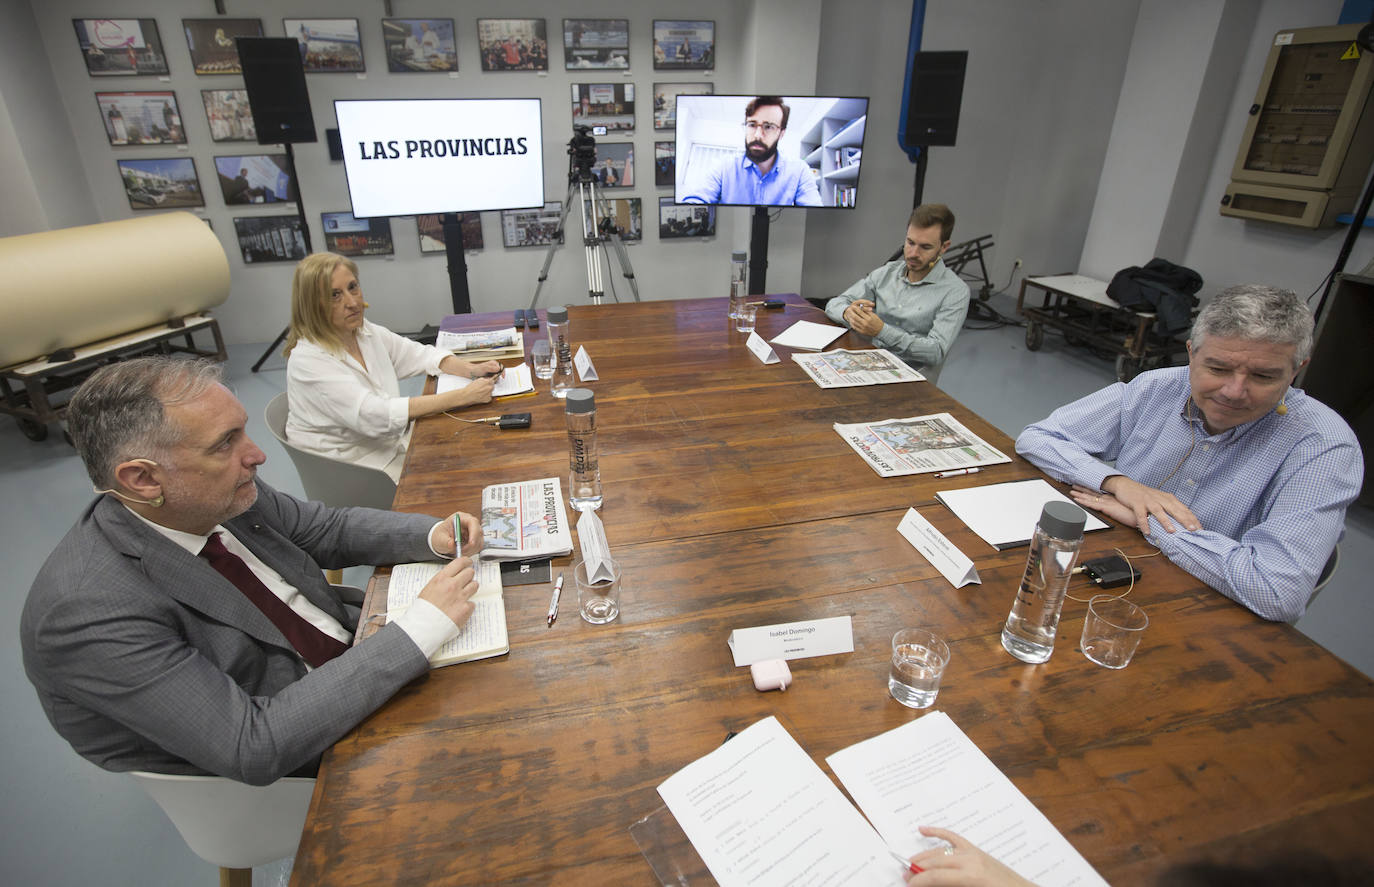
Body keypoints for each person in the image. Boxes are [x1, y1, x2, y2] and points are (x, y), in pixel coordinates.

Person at [20, 357, 483, 785]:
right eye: (224, 443)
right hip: (308, 742)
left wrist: (430, 535)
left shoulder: (208, 492)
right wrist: (420, 628)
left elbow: (325, 529)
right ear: (142, 479)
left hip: (360, 651)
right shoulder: (85, 613)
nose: (257, 455)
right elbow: (254, 745)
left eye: (240, 431)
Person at [1016, 284, 1362, 622]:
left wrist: (1150, 521)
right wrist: (1118, 482)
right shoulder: (1158, 388)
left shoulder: (1324, 448)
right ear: (1191, 352)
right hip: (1119, 576)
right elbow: (1038, 438)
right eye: (1218, 368)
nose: (1233, 391)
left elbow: (1276, 591)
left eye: (1263, 376)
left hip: (1211, 612)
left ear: (1296, 369)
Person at [284, 253, 501, 483]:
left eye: (353, 287)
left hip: (389, 447)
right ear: (312, 305)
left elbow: (418, 354)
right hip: (355, 472)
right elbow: (377, 415)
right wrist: (464, 396)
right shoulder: (308, 361)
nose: (352, 302)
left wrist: (469, 369)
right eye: (335, 295)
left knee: (475, 453)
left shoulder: (362, 331)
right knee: (463, 475)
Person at [824, 204, 971, 381]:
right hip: (867, 365)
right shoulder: (887, 273)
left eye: (925, 247)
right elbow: (835, 304)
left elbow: (936, 351)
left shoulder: (955, 292)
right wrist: (849, 313)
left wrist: (881, 331)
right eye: (910, 243)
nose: (913, 253)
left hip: (910, 378)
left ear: (944, 247)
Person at [680, 95, 822, 207]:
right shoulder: (723, 166)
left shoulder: (799, 171)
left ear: (782, 133)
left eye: (769, 126)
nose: (758, 135)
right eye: (752, 125)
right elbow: (695, 201)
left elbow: (814, 216)